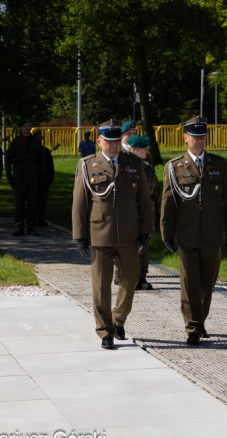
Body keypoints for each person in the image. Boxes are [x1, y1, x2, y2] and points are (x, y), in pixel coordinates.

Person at [72, 119, 153, 349]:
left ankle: (118, 320)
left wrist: (146, 229)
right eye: (108, 141)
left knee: (130, 280)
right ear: (99, 141)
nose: (113, 145)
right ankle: (105, 332)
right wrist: (80, 234)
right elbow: (80, 202)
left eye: (117, 140)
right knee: (100, 286)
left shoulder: (133, 164)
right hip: (100, 233)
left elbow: (144, 200)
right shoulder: (88, 164)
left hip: (129, 233)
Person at [160, 116, 227, 345]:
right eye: (195, 137)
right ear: (186, 138)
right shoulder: (175, 166)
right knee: (189, 282)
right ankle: (192, 327)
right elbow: (168, 202)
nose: (200, 141)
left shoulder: (219, 164)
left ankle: (200, 319)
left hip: (212, 233)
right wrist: (166, 232)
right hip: (187, 233)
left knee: (207, 282)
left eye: (203, 136)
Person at [116, 135, 160, 291]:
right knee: (126, 244)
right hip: (130, 211)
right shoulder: (125, 165)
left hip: (147, 211)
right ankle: (122, 274)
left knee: (144, 244)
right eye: (144, 149)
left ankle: (141, 277)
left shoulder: (148, 166)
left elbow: (155, 189)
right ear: (135, 150)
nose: (147, 152)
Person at [5, 118, 43, 236]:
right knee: (19, 203)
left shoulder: (36, 143)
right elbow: (8, 159)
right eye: (25, 125)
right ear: (21, 128)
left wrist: (41, 177)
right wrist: (9, 175)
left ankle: (31, 227)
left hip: (33, 178)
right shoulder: (15, 142)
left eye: (29, 125)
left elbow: (42, 162)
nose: (27, 128)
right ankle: (19, 226)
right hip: (20, 178)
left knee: (32, 203)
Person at [33, 130, 55, 226]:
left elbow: (50, 166)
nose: (39, 139)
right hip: (33, 180)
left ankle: (40, 218)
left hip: (43, 179)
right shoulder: (31, 151)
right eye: (37, 137)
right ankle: (33, 218)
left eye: (40, 137)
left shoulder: (45, 151)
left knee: (42, 200)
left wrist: (50, 177)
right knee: (33, 200)